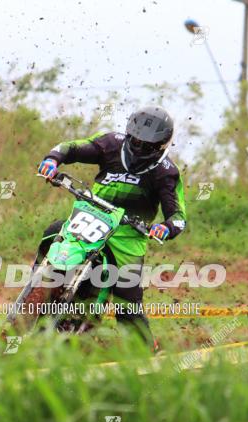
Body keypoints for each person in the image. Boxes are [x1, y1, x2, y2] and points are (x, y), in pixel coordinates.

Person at [35, 105, 187, 351]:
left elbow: (178, 215)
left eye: (147, 146)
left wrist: (166, 228)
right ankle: (39, 283)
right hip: (92, 217)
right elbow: (71, 148)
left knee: (127, 303)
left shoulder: (165, 172)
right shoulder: (111, 144)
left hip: (127, 236)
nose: (139, 147)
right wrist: (52, 160)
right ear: (128, 134)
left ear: (161, 146)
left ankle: (147, 351)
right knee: (53, 230)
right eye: (136, 140)